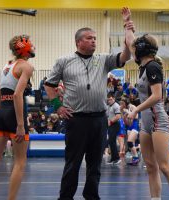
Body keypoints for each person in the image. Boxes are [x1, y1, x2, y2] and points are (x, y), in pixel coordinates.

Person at [44, 7, 135, 200]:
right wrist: (57, 106)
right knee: (73, 163)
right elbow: (49, 85)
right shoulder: (64, 61)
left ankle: (91, 195)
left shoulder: (102, 59)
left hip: (98, 119)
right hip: (76, 120)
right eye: (89, 38)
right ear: (78, 42)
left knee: (95, 163)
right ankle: (65, 197)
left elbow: (125, 57)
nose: (94, 40)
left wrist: (127, 27)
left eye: (95, 38)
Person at [126, 33, 169, 199]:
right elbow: (131, 44)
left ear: (142, 49)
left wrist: (136, 109)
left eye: (137, 48)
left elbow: (157, 96)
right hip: (146, 121)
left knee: (164, 166)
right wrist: (127, 25)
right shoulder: (143, 65)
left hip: (157, 119)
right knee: (150, 166)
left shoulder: (152, 67)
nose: (133, 50)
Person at [0, 35, 35, 200]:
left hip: (2, 111)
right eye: (31, 44)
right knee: (20, 162)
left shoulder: (7, 65)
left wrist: (4, 111)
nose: (33, 47)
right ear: (24, 48)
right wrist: (20, 125)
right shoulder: (27, 66)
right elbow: (18, 95)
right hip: (15, 113)